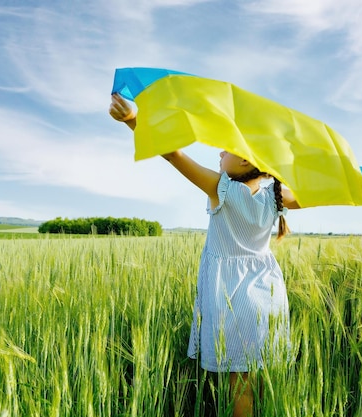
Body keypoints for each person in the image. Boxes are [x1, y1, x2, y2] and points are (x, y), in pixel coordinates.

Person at [109, 93, 300, 416]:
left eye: (227, 149)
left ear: (244, 161)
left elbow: (172, 154)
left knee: (239, 385)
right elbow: (325, 194)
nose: (220, 151)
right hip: (268, 296)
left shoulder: (221, 188)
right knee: (259, 375)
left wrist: (133, 121)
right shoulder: (277, 196)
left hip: (231, 297)